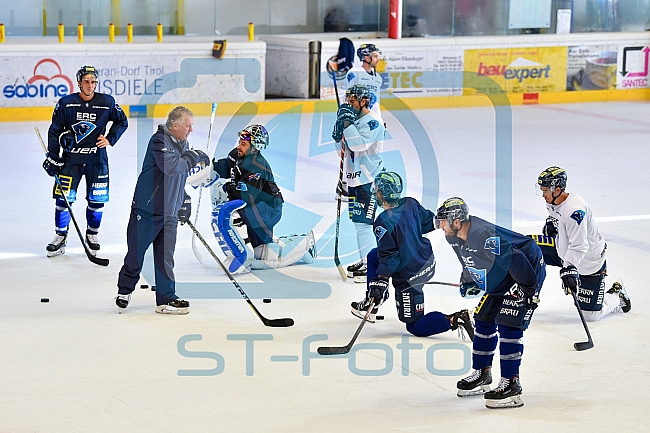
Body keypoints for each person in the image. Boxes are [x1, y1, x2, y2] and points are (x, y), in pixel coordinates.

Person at [436, 197, 546, 409]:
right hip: (507, 270)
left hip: (525, 269)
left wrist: (529, 290)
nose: (440, 225)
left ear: (457, 221)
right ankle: (482, 374)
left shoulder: (482, 235)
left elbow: (516, 258)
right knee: (484, 318)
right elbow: (469, 260)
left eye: (443, 220)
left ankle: (511, 384)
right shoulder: (453, 237)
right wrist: (469, 279)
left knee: (508, 322)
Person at [351, 172, 474, 341]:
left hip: (410, 276)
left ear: (381, 194)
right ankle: (372, 304)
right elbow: (427, 222)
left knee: (415, 325)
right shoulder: (410, 203)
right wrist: (446, 221)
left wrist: (381, 280)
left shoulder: (382, 222)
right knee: (373, 255)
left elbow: (390, 257)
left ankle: (455, 319)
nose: (375, 192)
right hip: (426, 261)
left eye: (377, 190)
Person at [115, 106, 210, 315]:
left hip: (169, 212)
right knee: (136, 254)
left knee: (165, 257)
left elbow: (179, 177)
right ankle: (124, 290)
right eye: (188, 126)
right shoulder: (159, 141)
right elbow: (171, 166)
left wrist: (183, 200)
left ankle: (166, 298)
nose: (191, 130)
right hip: (148, 209)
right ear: (175, 126)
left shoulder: (182, 142)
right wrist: (194, 156)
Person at [42, 65, 128, 257]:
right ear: (79, 82)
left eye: (94, 82)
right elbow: (55, 130)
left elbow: (122, 121)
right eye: (87, 81)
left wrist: (110, 139)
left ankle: (92, 235)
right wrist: (54, 156)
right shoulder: (66, 103)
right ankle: (60, 236)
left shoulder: (107, 102)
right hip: (70, 161)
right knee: (63, 200)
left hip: (97, 160)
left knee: (97, 200)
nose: (90, 85)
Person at [206, 124, 315, 273]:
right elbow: (225, 167)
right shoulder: (238, 154)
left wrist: (224, 188)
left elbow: (244, 195)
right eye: (239, 142)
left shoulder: (257, 165)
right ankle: (297, 242)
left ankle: (305, 244)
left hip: (268, 210)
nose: (239, 146)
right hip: (256, 207)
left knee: (267, 256)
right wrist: (207, 166)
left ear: (254, 147)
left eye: (243, 144)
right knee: (262, 252)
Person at [534, 166, 631, 320]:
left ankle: (617, 296)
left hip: (588, 261)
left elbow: (580, 246)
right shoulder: (553, 201)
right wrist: (552, 225)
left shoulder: (574, 211)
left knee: (591, 315)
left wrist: (569, 269)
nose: (542, 195)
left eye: (545, 190)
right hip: (563, 251)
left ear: (557, 190)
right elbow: (555, 218)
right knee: (527, 248)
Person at [332, 84, 385, 283]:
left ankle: (370, 265)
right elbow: (343, 152)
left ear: (364, 101)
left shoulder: (373, 122)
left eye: (352, 101)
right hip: (355, 180)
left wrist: (346, 124)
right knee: (358, 224)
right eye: (348, 100)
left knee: (364, 225)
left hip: (369, 181)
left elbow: (359, 145)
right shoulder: (354, 121)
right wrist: (338, 135)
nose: (349, 104)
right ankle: (364, 261)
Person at [339, 43, 384, 123]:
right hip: (357, 119)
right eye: (375, 56)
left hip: (372, 120)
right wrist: (346, 116)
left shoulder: (378, 78)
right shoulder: (355, 73)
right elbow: (345, 94)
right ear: (366, 58)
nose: (378, 60)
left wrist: (379, 119)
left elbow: (376, 103)